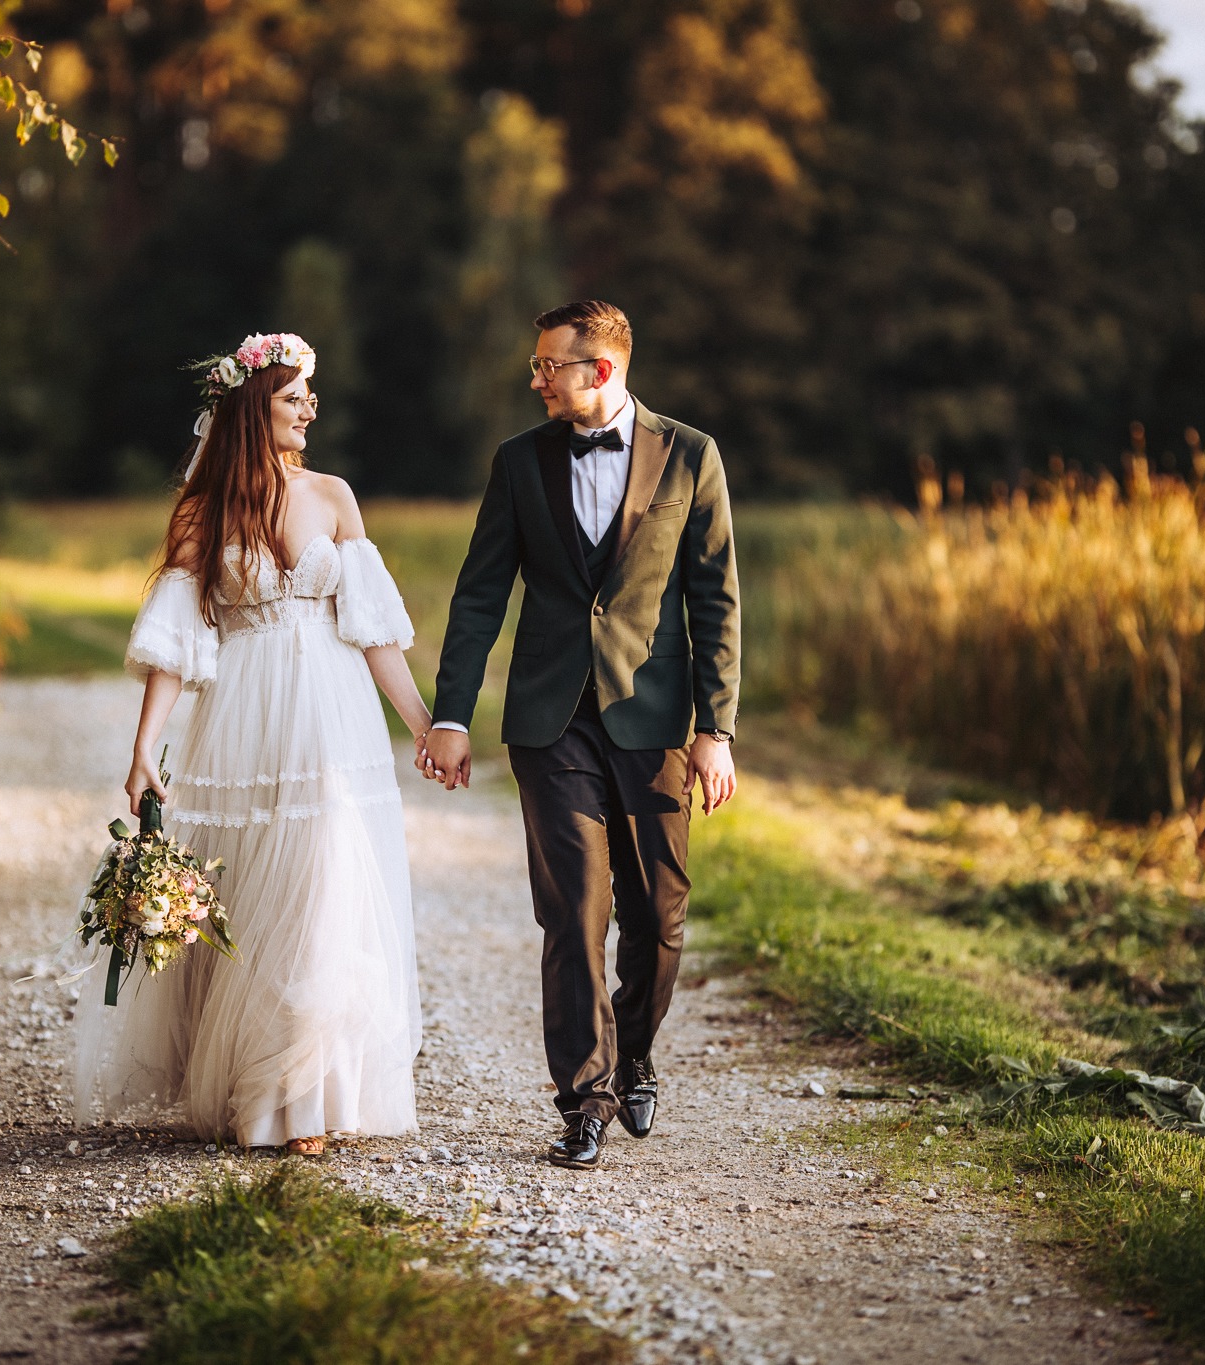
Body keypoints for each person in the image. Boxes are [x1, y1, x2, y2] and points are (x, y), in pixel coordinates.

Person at [70, 333, 434, 1158]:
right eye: (293, 396)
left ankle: (304, 1093)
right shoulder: (203, 512)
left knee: (323, 889)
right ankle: (258, 1089)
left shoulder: (334, 497)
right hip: (246, 716)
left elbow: (374, 631)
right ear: (251, 409)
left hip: (333, 719)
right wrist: (144, 748)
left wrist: (425, 725)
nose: (310, 409)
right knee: (256, 895)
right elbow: (174, 641)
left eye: (310, 396)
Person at [421, 300, 741, 1169]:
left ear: (600, 370)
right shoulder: (518, 462)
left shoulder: (692, 455)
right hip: (549, 721)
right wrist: (451, 714)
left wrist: (715, 727)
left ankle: (635, 1050)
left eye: (548, 365)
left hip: (654, 719)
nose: (536, 379)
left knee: (659, 915)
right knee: (574, 911)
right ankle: (585, 1100)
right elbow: (480, 594)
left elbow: (715, 600)